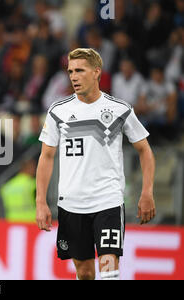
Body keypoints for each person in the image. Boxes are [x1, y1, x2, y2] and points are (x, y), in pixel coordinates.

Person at [36, 48, 156, 280]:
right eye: (70, 71)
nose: (73, 76)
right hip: (71, 204)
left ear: (96, 72)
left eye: (80, 70)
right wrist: (41, 202)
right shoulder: (58, 111)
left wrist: (147, 192)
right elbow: (46, 157)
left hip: (107, 201)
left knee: (109, 270)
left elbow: (145, 150)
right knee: (85, 272)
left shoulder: (119, 109)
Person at [0, 159, 36, 223]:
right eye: (33, 168)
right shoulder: (32, 184)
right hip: (30, 221)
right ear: (28, 168)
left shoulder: (7, 186)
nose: (35, 170)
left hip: (12, 220)